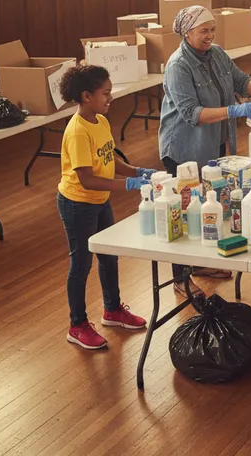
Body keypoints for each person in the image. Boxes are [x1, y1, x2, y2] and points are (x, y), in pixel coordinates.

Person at [160, 5, 251, 296]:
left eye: (212, 29)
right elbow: (191, 113)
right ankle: (180, 278)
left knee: (209, 204)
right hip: (185, 147)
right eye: (204, 31)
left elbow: (240, 80)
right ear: (187, 33)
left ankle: (198, 263)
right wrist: (233, 109)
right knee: (185, 213)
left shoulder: (218, 54)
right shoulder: (178, 66)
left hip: (215, 143)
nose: (210, 35)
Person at [57, 64, 152, 350]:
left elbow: (109, 159)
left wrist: (136, 171)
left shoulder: (100, 120)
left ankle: (112, 310)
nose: (111, 98)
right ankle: (77, 325)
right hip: (77, 204)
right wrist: (128, 186)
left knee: (109, 256)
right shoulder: (77, 131)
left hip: (99, 202)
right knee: (81, 263)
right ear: (87, 95)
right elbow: (86, 179)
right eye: (106, 93)